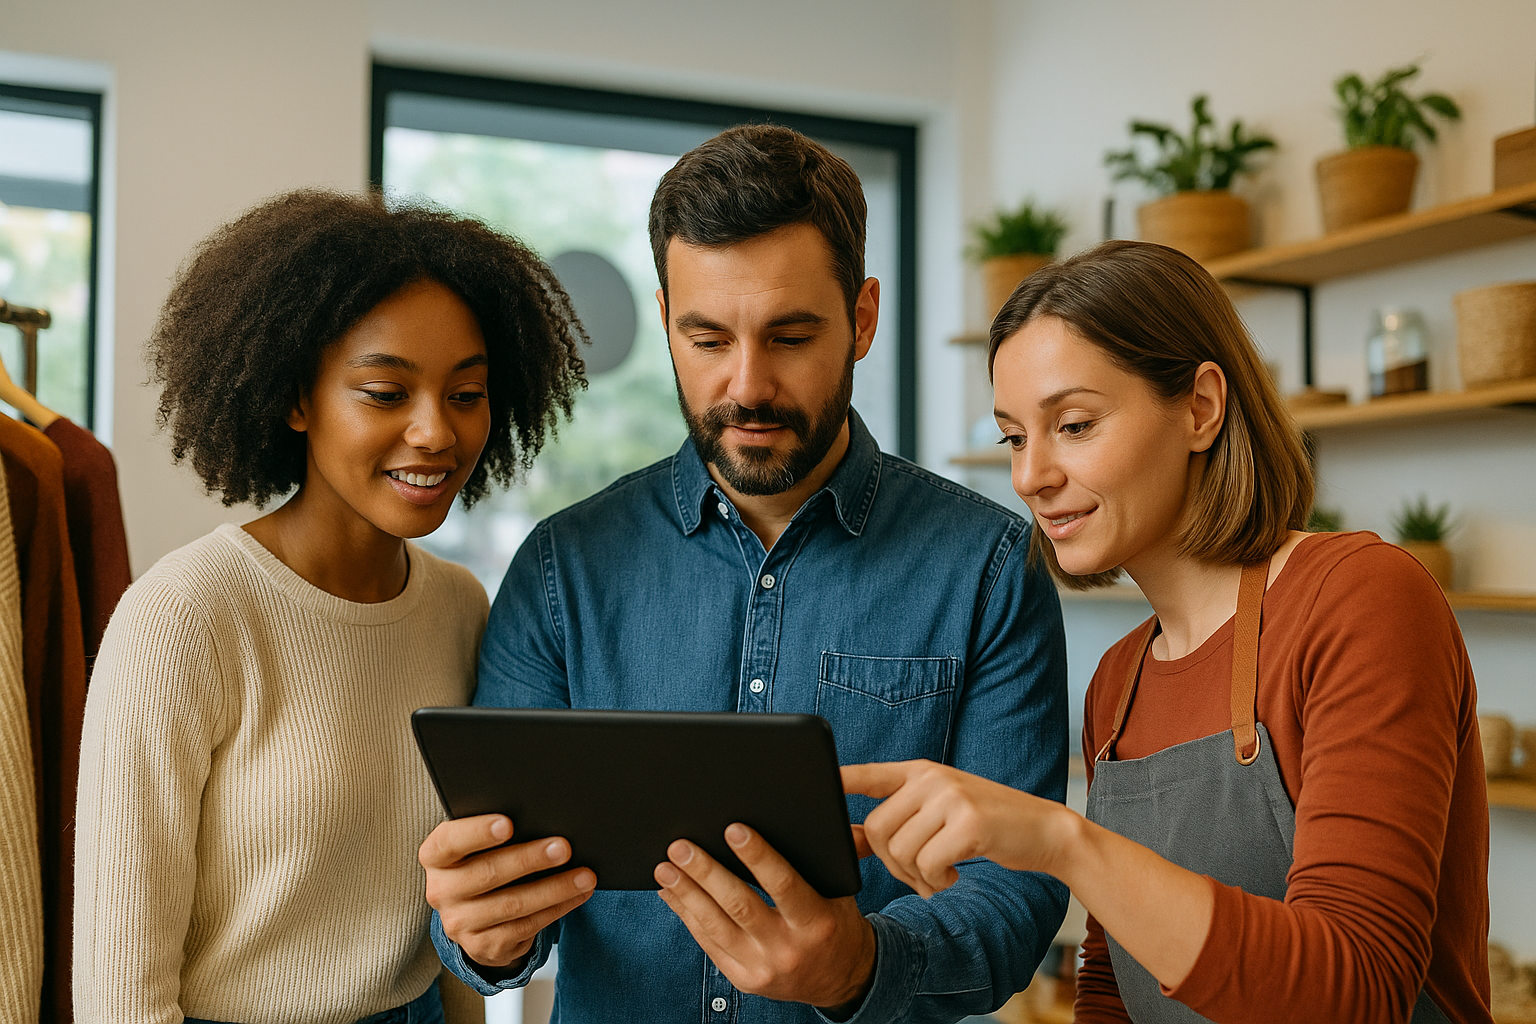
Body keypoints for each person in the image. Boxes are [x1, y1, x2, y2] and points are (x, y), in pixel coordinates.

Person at [420, 124, 1070, 1022]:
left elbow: (1019, 893)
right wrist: (486, 934)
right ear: (665, 323)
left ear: (864, 319)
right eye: (708, 338)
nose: (749, 385)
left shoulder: (988, 567)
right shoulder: (563, 568)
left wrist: (863, 964)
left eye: (791, 335)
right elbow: (494, 912)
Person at [845, 240, 1492, 1024]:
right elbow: (1118, 987)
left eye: (1074, 424)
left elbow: (1355, 988)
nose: (1030, 476)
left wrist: (1064, 842)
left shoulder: (1360, 598)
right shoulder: (1118, 683)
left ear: (1200, 408)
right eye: (1016, 437)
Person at [74, 190, 586, 1024]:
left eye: (466, 394)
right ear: (296, 398)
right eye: (386, 393)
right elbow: (117, 992)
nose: (436, 434)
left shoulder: (459, 607)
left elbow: (452, 914)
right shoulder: (184, 617)